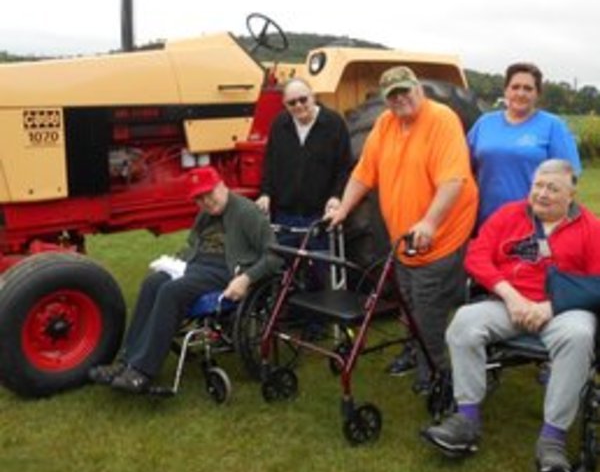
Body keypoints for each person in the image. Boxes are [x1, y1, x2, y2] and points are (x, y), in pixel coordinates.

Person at [422, 159, 600, 472]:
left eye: (553, 188)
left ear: (570, 196)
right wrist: (510, 296)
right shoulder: (509, 215)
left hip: (560, 311)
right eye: (538, 186)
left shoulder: (590, 227)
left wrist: (550, 306)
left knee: (580, 335)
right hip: (509, 304)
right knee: (464, 321)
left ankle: (553, 439)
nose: (542, 194)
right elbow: (477, 255)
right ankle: (466, 419)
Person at [327, 66, 478, 391]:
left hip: (439, 237)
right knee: (408, 304)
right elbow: (363, 174)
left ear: (418, 90)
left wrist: (429, 222)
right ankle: (417, 353)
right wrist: (343, 207)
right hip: (403, 240)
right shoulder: (385, 123)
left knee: (427, 311)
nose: (400, 99)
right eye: (393, 95)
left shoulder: (442, 120)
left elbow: (453, 180)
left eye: (405, 91)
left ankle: (434, 377)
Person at [89, 166, 280, 393]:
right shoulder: (205, 214)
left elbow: (275, 256)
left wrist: (247, 278)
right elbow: (194, 246)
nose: (206, 201)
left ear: (222, 185)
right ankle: (125, 361)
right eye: (199, 198)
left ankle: (142, 370)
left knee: (172, 291)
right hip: (196, 265)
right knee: (152, 283)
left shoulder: (247, 212)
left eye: (209, 193)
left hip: (225, 271)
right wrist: (175, 262)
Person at [468, 62, 581, 225]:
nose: (520, 93)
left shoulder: (553, 126)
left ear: (538, 93)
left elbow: (569, 177)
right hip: (486, 222)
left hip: (534, 223)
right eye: (515, 87)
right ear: (506, 90)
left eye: (528, 88)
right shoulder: (484, 124)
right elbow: (463, 168)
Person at [256, 77, 352, 243]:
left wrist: (336, 196)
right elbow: (270, 164)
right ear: (285, 105)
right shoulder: (279, 125)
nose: (299, 106)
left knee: (321, 266)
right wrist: (265, 193)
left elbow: (344, 167)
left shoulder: (334, 124)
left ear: (313, 97)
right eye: (292, 103)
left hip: (321, 215)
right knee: (287, 266)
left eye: (303, 99)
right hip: (285, 216)